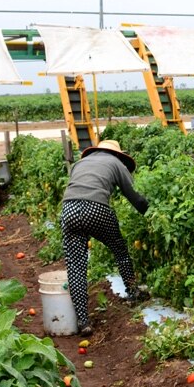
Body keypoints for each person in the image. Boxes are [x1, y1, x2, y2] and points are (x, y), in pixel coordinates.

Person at [61, 139, 149, 336]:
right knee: (120, 250)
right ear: (118, 154)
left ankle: (83, 322)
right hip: (96, 208)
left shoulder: (80, 163)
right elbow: (133, 194)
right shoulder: (116, 163)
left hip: (69, 210)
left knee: (76, 265)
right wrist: (149, 212)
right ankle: (133, 292)